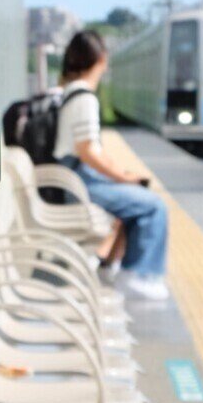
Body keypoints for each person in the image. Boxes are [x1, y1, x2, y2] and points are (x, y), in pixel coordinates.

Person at [54, 30, 170, 301]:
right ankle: (137, 275)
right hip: (81, 183)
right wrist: (123, 178)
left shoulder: (72, 92)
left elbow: (91, 151)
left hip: (76, 178)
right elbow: (88, 152)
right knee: (153, 206)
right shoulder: (84, 98)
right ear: (102, 59)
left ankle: (115, 267)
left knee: (138, 200)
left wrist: (122, 176)